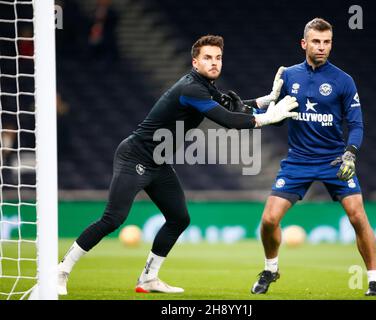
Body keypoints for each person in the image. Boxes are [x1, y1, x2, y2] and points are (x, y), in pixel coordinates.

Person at [57, 35, 299, 295]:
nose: (214, 62)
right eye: (208, 57)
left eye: (218, 58)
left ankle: (148, 278)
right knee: (113, 219)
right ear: (195, 62)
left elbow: (233, 107)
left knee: (178, 218)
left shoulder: (205, 88)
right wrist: (267, 118)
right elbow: (229, 120)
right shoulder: (191, 88)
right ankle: (61, 271)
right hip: (135, 157)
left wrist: (267, 100)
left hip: (158, 163)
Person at [250, 18, 376, 297]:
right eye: (316, 41)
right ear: (304, 43)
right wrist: (256, 107)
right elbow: (274, 116)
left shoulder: (343, 80)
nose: (322, 47)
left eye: (327, 42)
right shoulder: (288, 76)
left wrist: (351, 153)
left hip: (335, 160)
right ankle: (270, 270)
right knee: (269, 220)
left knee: (358, 216)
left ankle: (374, 281)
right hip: (298, 160)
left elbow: (357, 124)